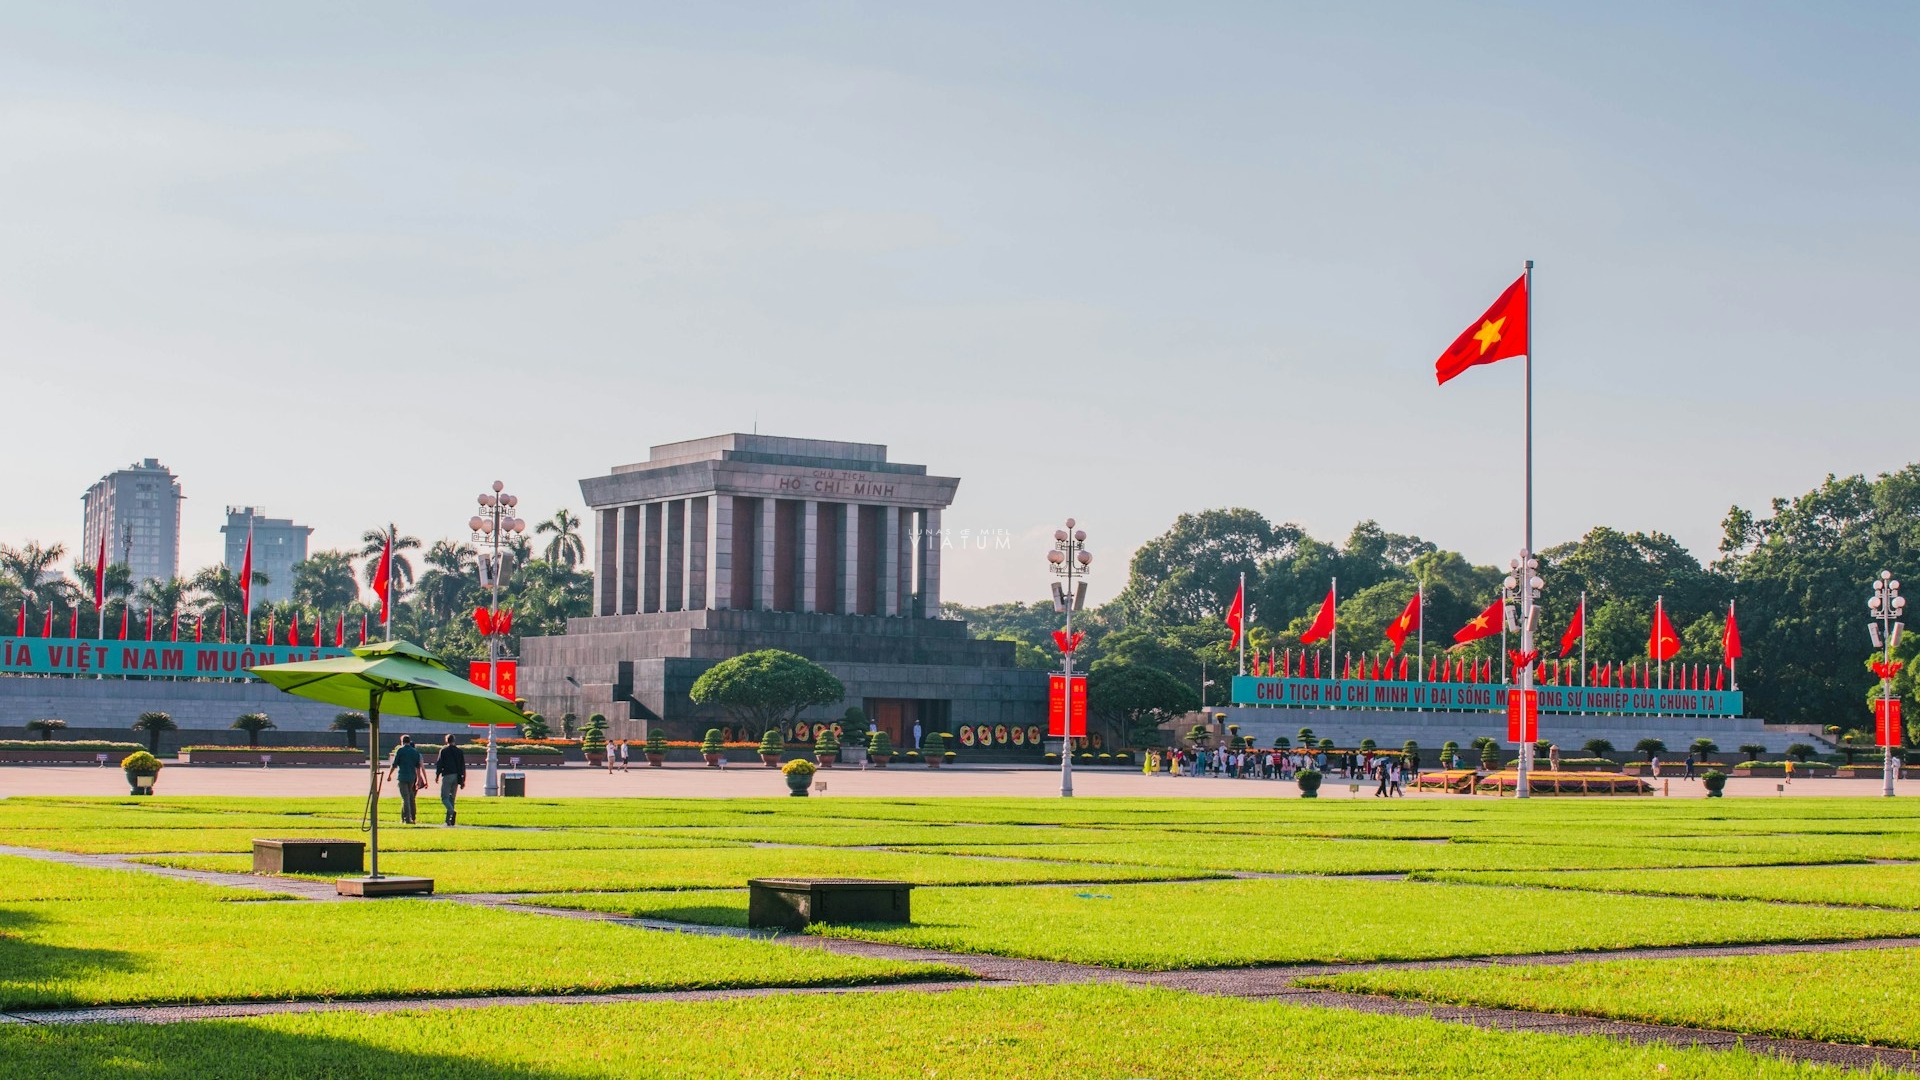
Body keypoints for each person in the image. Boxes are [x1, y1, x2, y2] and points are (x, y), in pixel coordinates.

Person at [385, 734, 422, 825]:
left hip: (402, 776)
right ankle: (412, 817)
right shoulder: (415, 752)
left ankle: (407, 819)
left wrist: (389, 775)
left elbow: (394, 764)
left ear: (402, 741)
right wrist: (419, 779)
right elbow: (418, 767)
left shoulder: (400, 750)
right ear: (409, 741)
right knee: (410, 797)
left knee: (405, 798)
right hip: (412, 777)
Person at [434, 733, 466, 826]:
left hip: (447, 775)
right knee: (452, 798)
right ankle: (450, 821)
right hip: (457, 776)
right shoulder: (459, 751)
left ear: (446, 741)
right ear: (454, 740)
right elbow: (462, 766)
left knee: (444, 797)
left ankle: (451, 811)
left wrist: (437, 775)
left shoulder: (444, 751)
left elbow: (439, 764)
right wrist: (463, 780)